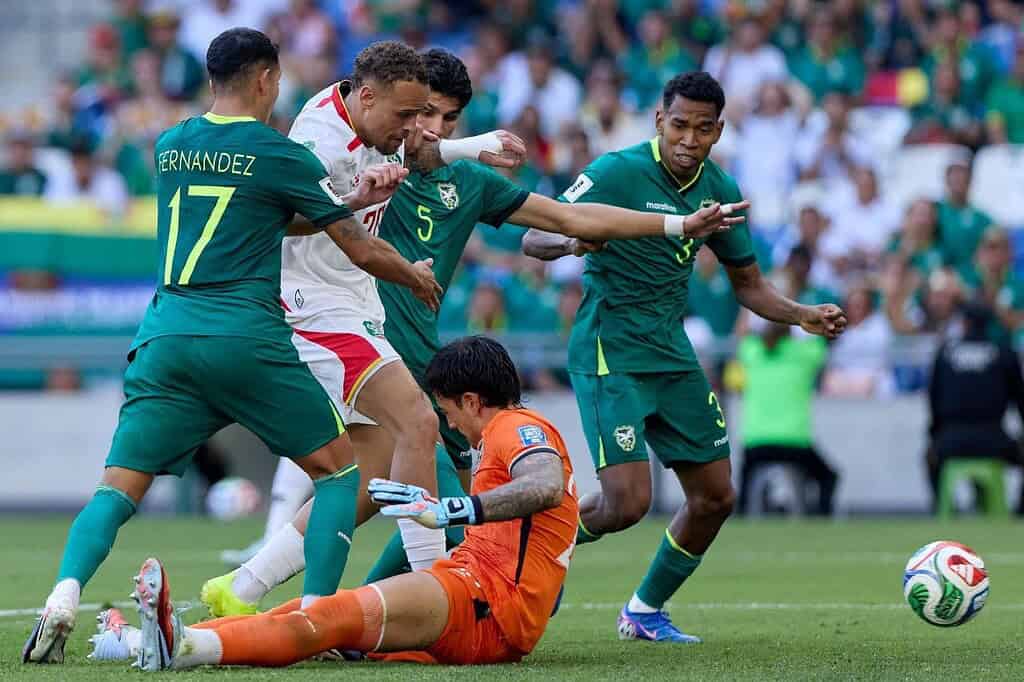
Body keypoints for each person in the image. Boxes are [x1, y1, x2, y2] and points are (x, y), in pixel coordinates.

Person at [202, 49, 749, 617]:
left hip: (421, 362)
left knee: (374, 485)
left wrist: (676, 225)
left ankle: (254, 588)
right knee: (432, 493)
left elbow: (565, 220)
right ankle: (400, 609)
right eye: (423, 116)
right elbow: (316, 186)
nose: (431, 131)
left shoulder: (468, 182)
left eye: (449, 121)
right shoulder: (375, 152)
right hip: (358, 342)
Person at [22, 28, 436, 665]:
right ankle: (315, 621)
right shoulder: (280, 153)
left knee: (115, 490)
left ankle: (63, 595)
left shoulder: (171, 144)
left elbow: (263, 211)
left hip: (165, 336)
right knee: (340, 474)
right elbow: (353, 244)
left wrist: (345, 197)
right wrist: (412, 271)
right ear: (267, 79)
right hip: (245, 337)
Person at [522, 71, 847, 643]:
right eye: (679, 125)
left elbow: (748, 285)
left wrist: (799, 314)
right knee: (626, 504)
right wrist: (574, 241)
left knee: (716, 496)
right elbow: (534, 236)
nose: (688, 140)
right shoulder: (616, 171)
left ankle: (644, 611)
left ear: (719, 131)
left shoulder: (718, 189)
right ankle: (546, 543)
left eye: (702, 129)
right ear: (658, 121)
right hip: (610, 350)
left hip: (672, 353)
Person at [130, 336, 580, 671]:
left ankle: (182, 649)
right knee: (306, 616)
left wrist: (453, 510)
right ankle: (146, 641)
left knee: (326, 616)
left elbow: (545, 484)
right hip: (480, 597)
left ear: (470, 400)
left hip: (487, 604)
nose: (451, 423)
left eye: (448, 411)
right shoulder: (506, 433)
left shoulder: (514, 427)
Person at [926, 303, 1024, 514]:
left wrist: (935, 438)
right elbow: (1020, 400)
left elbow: (933, 401)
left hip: (950, 441)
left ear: (964, 323)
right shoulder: (1004, 353)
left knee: (929, 458)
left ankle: (946, 511)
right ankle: (1020, 512)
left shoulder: (945, 353)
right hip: (995, 441)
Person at [737, 322, 838, 516]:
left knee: (745, 481)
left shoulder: (753, 353)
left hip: (756, 442)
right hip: (795, 443)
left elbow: (741, 334)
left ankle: (742, 516)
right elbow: (820, 338)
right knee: (828, 477)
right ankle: (821, 521)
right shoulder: (802, 355)